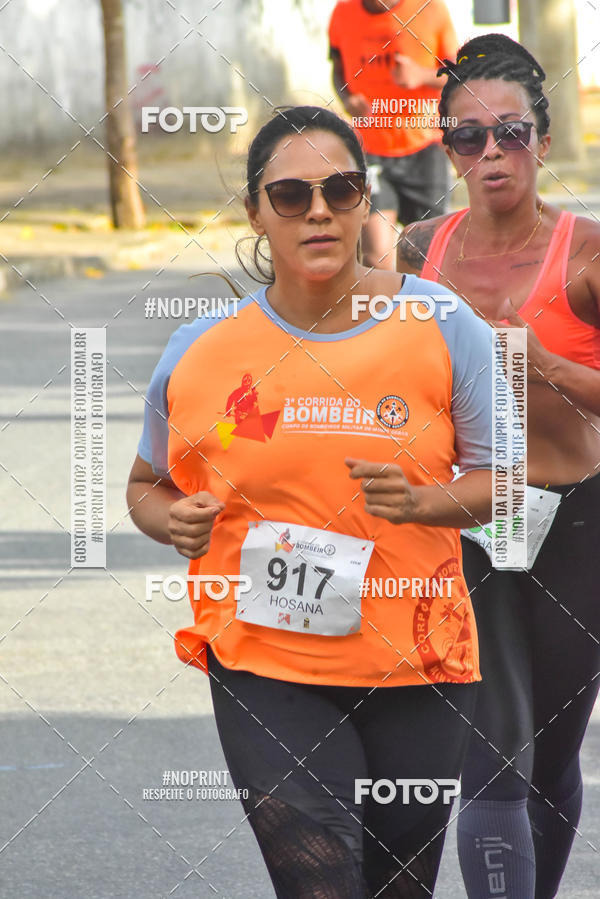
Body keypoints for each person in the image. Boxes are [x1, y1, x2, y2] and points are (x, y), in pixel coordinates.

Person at [127, 105, 499, 898]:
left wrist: (423, 502)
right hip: (264, 660)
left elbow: (500, 479)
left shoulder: (441, 323)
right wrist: (171, 520)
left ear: (366, 201)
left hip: (417, 663)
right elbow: (146, 485)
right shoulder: (199, 350)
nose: (319, 210)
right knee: (319, 882)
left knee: (397, 887)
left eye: (341, 189)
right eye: (291, 195)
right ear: (256, 212)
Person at [396, 33, 600, 899]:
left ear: (542, 142)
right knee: (493, 752)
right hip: (469, 524)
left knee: (550, 753)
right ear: (448, 149)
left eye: (511, 133)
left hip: (576, 522)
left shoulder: (586, 255)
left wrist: (546, 367)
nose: (491, 153)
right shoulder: (416, 251)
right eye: (469, 136)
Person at [328, 0, 457, 269]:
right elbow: (338, 70)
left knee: (426, 256)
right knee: (377, 256)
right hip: (370, 151)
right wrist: (347, 98)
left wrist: (421, 75)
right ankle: (385, 299)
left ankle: (417, 298)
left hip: (424, 148)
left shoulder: (430, 9)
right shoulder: (343, 12)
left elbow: (457, 75)